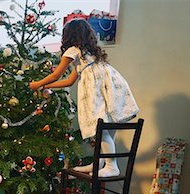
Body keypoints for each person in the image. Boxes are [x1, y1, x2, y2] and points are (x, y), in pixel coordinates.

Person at [30, 19, 139, 177]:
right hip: (111, 84)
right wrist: (46, 87)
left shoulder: (73, 51)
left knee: (99, 125)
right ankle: (100, 162)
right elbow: (70, 81)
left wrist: (38, 84)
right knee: (108, 122)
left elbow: (56, 74)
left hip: (95, 88)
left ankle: (111, 165)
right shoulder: (89, 55)